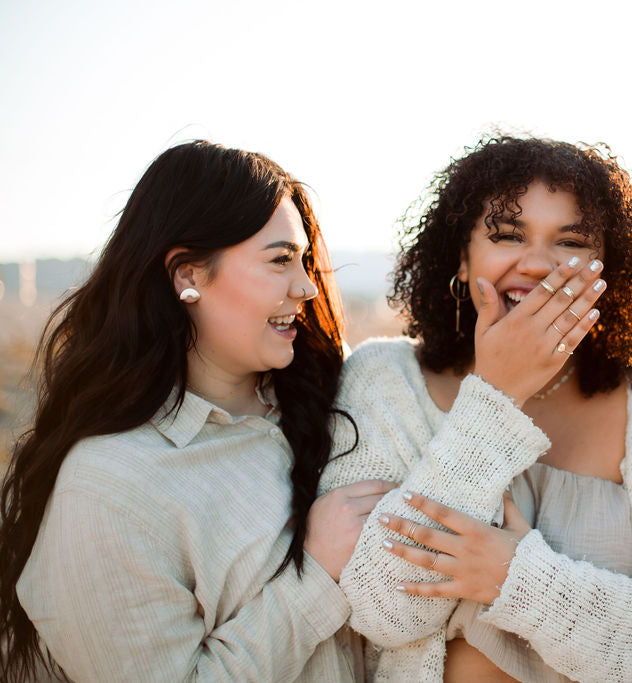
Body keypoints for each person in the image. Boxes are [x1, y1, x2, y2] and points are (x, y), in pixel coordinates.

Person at [319, 134, 632, 681]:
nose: (538, 264)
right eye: (508, 235)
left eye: (571, 241)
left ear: (608, 266)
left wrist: (509, 574)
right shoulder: (385, 380)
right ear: (462, 259)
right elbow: (384, 613)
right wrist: (495, 397)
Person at [0, 141, 394, 681]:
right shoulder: (107, 489)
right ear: (188, 276)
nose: (306, 287)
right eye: (279, 260)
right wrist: (317, 575)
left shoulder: (346, 399)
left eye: (303, 261)